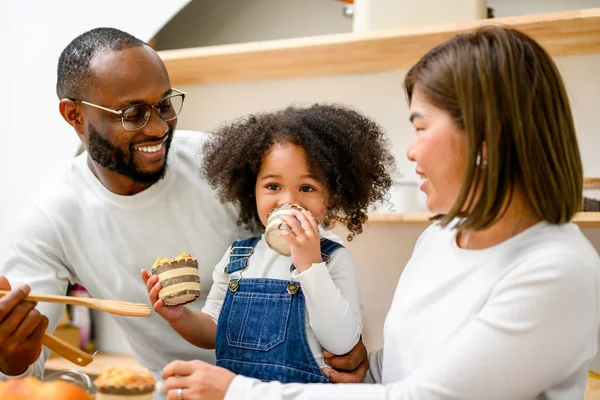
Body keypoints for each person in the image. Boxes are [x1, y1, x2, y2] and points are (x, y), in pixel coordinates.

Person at [159, 25, 600, 400]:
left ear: (487, 138)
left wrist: (238, 391)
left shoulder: (558, 273)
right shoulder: (440, 239)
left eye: (420, 126)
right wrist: (364, 368)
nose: (410, 150)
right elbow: (414, 368)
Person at [0, 27, 368, 393]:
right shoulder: (51, 218)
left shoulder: (216, 163)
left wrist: (346, 346)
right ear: (75, 116)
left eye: (164, 104)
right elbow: (22, 367)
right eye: (133, 113)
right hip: (178, 390)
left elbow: (310, 241)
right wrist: (10, 356)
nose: (160, 127)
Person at [143, 104, 395, 385]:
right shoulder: (238, 257)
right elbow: (214, 330)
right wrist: (178, 317)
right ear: (252, 190)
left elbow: (342, 343)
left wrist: (311, 265)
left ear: (332, 196)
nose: (288, 201)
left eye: (307, 188)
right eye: (273, 186)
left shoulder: (333, 258)